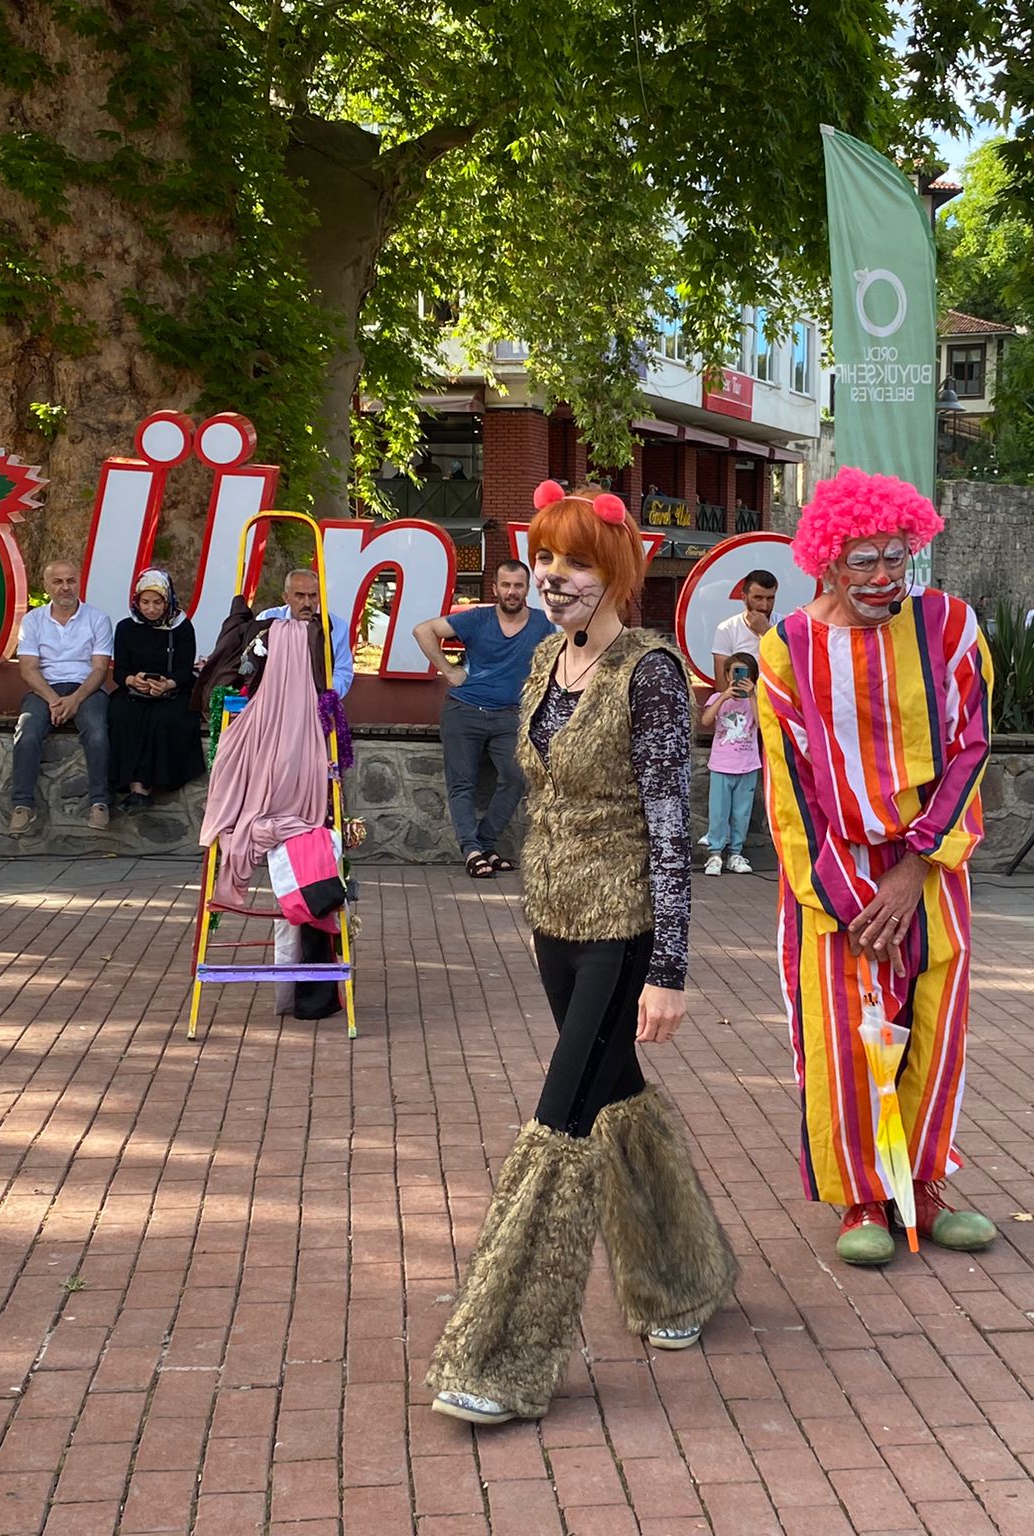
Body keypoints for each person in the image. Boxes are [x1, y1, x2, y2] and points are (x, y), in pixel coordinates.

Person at [428, 481, 733, 1428]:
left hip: (624, 924)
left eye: (575, 564)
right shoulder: (544, 662)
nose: (556, 579)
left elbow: (669, 822)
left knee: (558, 1120)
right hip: (554, 916)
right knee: (612, 1092)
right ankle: (683, 1279)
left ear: (616, 573)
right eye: (546, 560)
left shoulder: (648, 674)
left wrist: (671, 968)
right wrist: (532, 909)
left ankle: (504, 1350)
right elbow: (544, 797)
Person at [758, 466, 996, 1267]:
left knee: (934, 1026)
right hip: (835, 881)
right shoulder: (785, 651)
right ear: (827, 557)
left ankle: (920, 1183)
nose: (884, 578)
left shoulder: (950, 626)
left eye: (897, 557)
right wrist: (852, 900)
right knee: (844, 1038)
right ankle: (861, 1195)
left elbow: (971, 747)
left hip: (929, 867)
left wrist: (917, 868)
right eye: (864, 559)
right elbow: (790, 795)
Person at [411, 560, 554, 877]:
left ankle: (485, 843)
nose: (512, 591)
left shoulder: (543, 624)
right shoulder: (477, 618)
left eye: (518, 585)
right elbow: (423, 630)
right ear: (495, 589)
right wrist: (448, 671)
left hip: (509, 716)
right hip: (463, 711)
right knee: (462, 785)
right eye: (506, 585)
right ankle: (472, 851)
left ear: (527, 590)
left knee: (517, 776)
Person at [10, 559, 115, 834]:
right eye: (57, 581)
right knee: (27, 731)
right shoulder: (32, 621)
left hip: (86, 689)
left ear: (78, 583)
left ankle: (100, 803)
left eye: (70, 581)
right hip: (45, 689)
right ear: (46, 586)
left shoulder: (98, 619)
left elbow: (100, 669)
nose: (65, 587)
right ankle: (22, 806)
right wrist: (54, 700)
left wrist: (76, 699)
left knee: (97, 732)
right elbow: (28, 669)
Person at [109, 569, 205, 808]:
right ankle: (134, 787)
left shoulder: (182, 627)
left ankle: (154, 783)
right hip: (135, 690)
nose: (151, 609)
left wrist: (167, 684)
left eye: (157, 602)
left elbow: (185, 670)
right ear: (137, 602)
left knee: (164, 718)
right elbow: (120, 671)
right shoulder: (126, 628)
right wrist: (134, 680)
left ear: (167, 601)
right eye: (145, 602)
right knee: (122, 714)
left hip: (173, 690)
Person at [700, 650, 761, 875]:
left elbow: (763, 724)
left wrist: (753, 695)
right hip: (721, 765)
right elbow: (705, 720)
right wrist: (724, 696)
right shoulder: (717, 698)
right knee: (718, 812)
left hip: (747, 765)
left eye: (744, 674)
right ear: (727, 675)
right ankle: (715, 854)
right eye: (735, 673)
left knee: (741, 813)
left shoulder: (757, 700)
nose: (738, 678)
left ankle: (736, 853)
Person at [258, 570, 353, 696]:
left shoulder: (337, 627)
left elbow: (343, 675)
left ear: (320, 597)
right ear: (286, 598)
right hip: (274, 699)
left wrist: (320, 693)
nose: (307, 603)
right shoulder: (267, 620)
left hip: (317, 703)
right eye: (300, 595)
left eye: (313, 596)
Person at [709, 568, 778, 686]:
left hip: (776, 700)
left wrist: (766, 632)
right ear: (744, 598)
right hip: (740, 701)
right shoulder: (727, 629)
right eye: (758, 598)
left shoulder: (786, 624)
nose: (764, 606)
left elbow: (793, 669)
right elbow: (722, 686)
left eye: (770, 599)